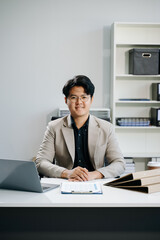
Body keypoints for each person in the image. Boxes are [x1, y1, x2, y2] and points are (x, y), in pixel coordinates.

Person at [36, 75, 125, 181]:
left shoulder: (106, 128)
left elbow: (119, 163)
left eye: (84, 97)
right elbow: (41, 162)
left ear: (91, 99)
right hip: (65, 182)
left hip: (95, 183)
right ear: (66, 100)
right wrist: (67, 173)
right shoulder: (54, 127)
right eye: (73, 97)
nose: (79, 102)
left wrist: (96, 174)